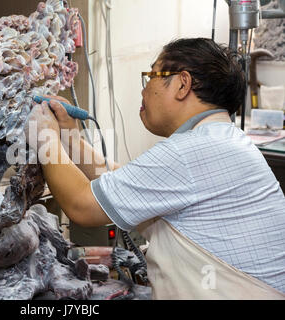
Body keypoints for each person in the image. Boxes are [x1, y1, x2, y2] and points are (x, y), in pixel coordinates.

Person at [25, 38, 285, 299]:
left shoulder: (193, 150)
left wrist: (46, 137)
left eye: (151, 76)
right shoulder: (219, 139)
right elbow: (122, 182)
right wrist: (71, 139)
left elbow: (82, 206)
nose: (144, 90)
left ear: (182, 84)